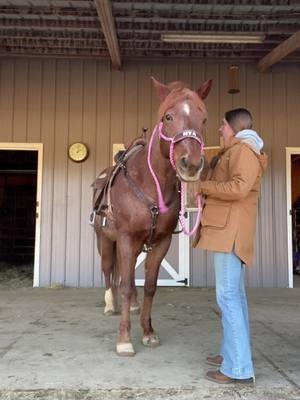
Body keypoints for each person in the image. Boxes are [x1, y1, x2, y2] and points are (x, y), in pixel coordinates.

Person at [193, 108, 267, 384]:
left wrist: (205, 187)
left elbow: (237, 188)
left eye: (222, 125)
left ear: (235, 127)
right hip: (228, 231)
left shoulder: (244, 151)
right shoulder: (236, 150)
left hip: (229, 233)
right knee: (235, 297)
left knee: (228, 298)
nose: (219, 130)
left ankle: (238, 370)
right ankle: (234, 354)